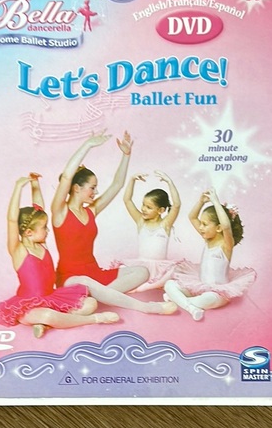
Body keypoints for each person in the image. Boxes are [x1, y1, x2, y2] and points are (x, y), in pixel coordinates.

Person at [51, 131, 177, 315]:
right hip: (70, 278)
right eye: (92, 187)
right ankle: (148, 307)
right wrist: (88, 145)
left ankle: (100, 296)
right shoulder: (60, 212)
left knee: (142, 272)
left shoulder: (91, 211)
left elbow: (117, 185)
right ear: (77, 188)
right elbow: (66, 177)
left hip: (95, 272)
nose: (96, 192)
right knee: (86, 282)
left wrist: (126, 155)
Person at [0, 173, 119, 338]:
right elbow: (12, 220)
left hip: (51, 297)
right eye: (44, 228)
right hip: (28, 306)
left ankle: (49, 323)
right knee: (47, 315)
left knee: (90, 303)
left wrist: (35, 184)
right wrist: (18, 187)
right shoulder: (18, 250)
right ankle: (94, 319)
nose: (48, 230)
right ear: (28, 232)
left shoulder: (41, 245)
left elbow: (39, 207)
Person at [163, 188, 256, 321]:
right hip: (198, 287)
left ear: (218, 228)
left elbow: (226, 226)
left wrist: (216, 202)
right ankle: (191, 307)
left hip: (217, 293)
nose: (200, 227)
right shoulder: (208, 239)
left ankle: (177, 300)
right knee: (169, 284)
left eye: (205, 224)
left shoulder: (226, 245)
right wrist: (201, 202)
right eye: (201, 224)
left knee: (209, 299)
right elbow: (192, 217)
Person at [107, 170, 182, 291]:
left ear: (161, 210)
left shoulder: (165, 225)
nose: (143, 209)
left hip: (159, 269)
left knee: (172, 273)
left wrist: (169, 182)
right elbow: (127, 200)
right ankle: (136, 287)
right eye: (143, 205)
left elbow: (177, 205)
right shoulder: (140, 222)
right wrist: (132, 180)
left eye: (149, 207)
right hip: (141, 266)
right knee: (121, 270)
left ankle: (143, 287)